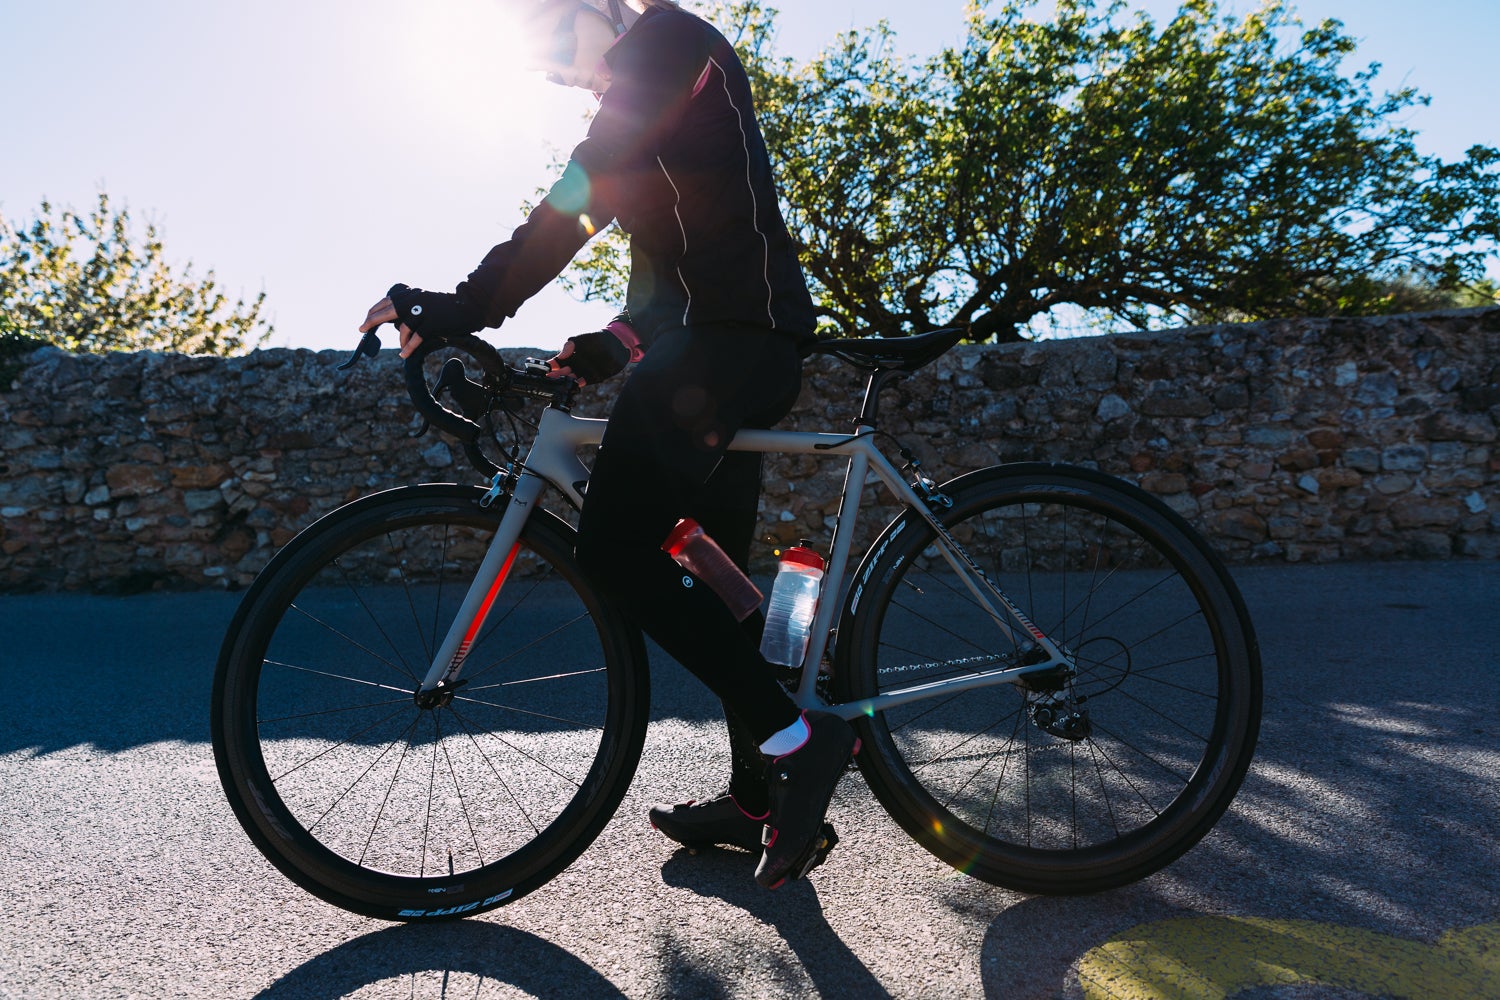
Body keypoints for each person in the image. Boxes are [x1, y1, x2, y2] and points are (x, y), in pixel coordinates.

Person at [358, 0, 857, 890]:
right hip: (717, 344)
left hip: (735, 344)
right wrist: (598, 353)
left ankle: (803, 742)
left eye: (558, 43)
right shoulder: (654, 123)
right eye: (548, 71)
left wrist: (458, 307)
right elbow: (657, 296)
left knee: (614, 550)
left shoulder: (666, 40)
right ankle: (758, 802)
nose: (562, 72)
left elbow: (577, 193)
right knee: (719, 583)